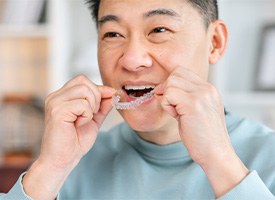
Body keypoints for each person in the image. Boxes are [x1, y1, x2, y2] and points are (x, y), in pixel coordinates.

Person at [1, 0, 275, 199]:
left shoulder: (269, 157)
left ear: (214, 42)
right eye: (113, 34)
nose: (132, 60)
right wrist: (50, 169)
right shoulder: (72, 162)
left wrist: (220, 162)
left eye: (159, 30)